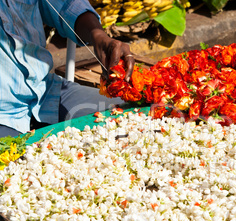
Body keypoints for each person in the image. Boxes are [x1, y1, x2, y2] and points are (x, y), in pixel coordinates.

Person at [0, 0, 135, 138]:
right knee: (17, 158)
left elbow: (67, 5)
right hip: (3, 113)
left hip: (45, 91)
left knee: (132, 116)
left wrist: (98, 35)